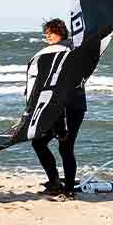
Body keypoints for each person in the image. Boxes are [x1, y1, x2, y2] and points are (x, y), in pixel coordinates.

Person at [21, 17, 85, 195]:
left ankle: (69, 189)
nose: (47, 36)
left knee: (65, 147)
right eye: (46, 33)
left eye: (50, 33)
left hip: (72, 106)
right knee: (39, 143)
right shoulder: (49, 53)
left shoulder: (72, 51)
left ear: (60, 32)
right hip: (51, 106)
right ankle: (55, 182)